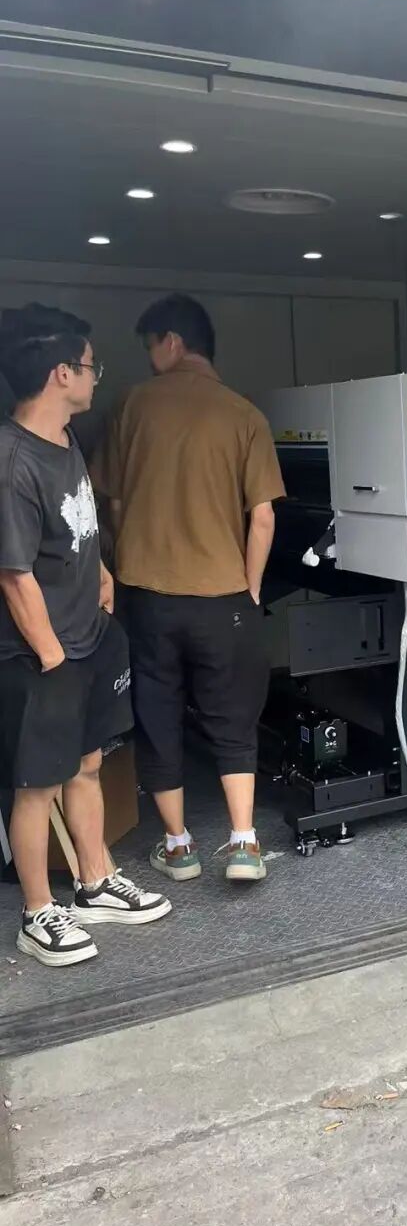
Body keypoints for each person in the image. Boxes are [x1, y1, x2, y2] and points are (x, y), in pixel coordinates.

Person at [93, 294, 285, 883]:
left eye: (151, 345)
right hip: (224, 599)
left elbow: (111, 502)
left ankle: (178, 847)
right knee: (232, 716)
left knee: (158, 715)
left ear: (172, 342)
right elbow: (263, 518)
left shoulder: (131, 405)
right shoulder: (244, 415)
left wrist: (122, 559)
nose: (148, 357)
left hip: (147, 596)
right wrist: (251, 590)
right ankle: (244, 842)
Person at [0, 304, 171, 967]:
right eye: (91, 366)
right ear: (61, 372)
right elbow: (14, 576)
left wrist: (99, 569)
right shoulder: (12, 461)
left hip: (88, 638)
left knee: (89, 764)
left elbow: (78, 522)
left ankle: (95, 881)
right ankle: (38, 912)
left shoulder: (64, 439)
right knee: (37, 784)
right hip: (42, 655)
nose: (98, 377)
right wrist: (53, 658)